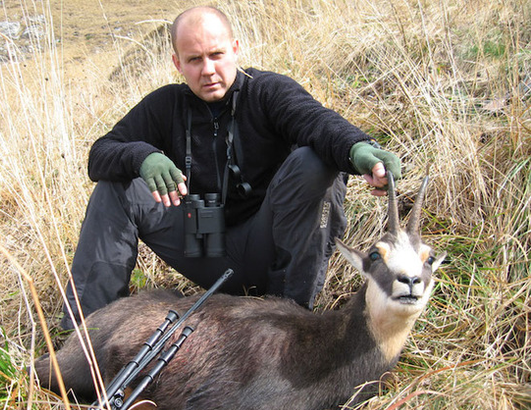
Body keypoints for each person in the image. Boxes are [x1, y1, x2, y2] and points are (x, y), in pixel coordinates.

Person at [60, 6, 400, 330]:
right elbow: (101, 153)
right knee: (117, 186)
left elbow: (317, 122)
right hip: (203, 243)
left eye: (216, 55)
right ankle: (88, 333)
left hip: (271, 248)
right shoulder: (166, 105)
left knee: (314, 162)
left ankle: (292, 321)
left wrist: (360, 151)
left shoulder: (267, 91)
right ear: (177, 63)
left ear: (235, 49)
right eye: (194, 60)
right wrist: (143, 156)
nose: (207, 70)